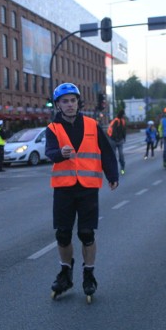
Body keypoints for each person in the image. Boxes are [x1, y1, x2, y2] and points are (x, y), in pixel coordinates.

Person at [45, 82, 119, 300]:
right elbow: (49, 151)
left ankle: (89, 274)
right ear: (58, 105)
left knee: (86, 233)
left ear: (78, 102)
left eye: (73, 100)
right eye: (65, 101)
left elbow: (106, 151)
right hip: (63, 189)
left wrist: (112, 175)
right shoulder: (53, 129)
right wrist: (60, 153)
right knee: (63, 234)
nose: (69, 105)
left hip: (87, 189)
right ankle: (65, 273)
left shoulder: (91, 125)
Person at [107, 108, 126, 175]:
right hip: (113, 140)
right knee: (114, 155)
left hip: (119, 140)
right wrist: (116, 138)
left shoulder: (122, 121)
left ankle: (122, 168)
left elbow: (123, 130)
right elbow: (113, 131)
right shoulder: (116, 121)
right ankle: (114, 168)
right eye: (123, 114)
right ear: (122, 115)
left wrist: (124, 137)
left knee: (121, 154)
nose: (124, 116)